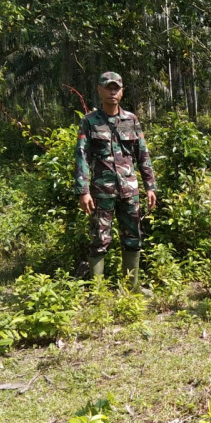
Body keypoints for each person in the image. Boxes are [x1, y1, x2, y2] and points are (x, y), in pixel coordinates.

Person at [74, 71, 157, 289]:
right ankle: (98, 291)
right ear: (99, 90)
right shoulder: (89, 121)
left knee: (133, 238)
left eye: (116, 88)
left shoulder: (131, 120)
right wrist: (83, 191)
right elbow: (82, 157)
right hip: (102, 193)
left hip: (130, 191)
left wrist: (150, 187)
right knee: (99, 240)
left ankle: (132, 288)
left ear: (121, 92)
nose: (112, 92)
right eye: (108, 87)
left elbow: (143, 155)